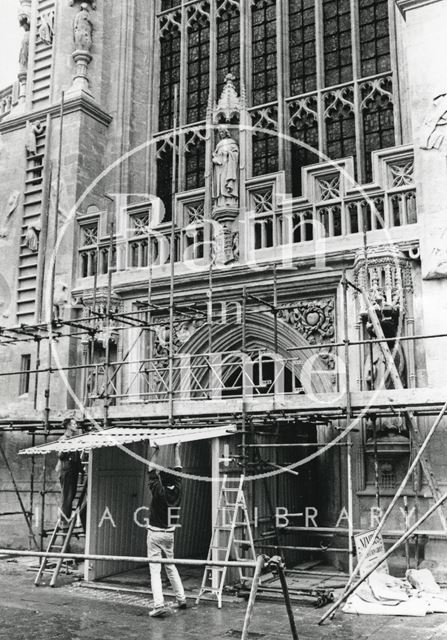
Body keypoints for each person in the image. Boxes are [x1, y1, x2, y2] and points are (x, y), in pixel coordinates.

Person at [147, 442, 186, 618]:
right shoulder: (177, 489)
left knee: (155, 569)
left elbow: (150, 469)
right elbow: (178, 468)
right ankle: (181, 599)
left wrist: (156, 451)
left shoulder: (158, 490)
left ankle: (159, 604)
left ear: (162, 479)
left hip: (154, 533)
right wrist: (177, 449)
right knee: (170, 566)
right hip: (170, 533)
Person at [56, 418, 84, 530]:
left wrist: (81, 470)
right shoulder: (63, 439)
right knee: (67, 495)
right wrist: (68, 447)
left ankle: (64, 519)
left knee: (71, 495)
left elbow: (77, 458)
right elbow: (60, 455)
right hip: (66, 471)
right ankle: (63, 521)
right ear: (68, 426)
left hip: (73, 471)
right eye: (74, 424)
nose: (76, 425)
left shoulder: (73, 439)